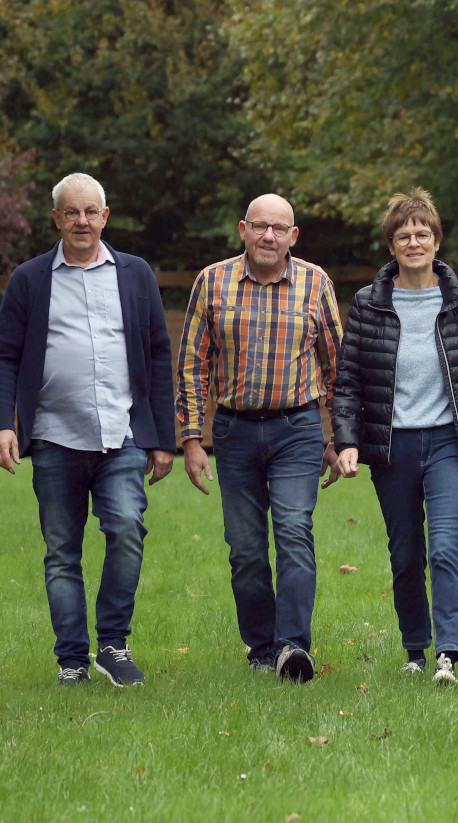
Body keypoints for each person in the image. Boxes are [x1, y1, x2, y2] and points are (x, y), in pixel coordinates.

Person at [0, 172, 175, 686]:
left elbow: (158, 353)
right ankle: (72, 659)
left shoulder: (135, 273)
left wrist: (162, 437)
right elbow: (6, 356)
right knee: (61, 550)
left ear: (105, 216)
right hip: (54, 435)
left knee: (126, 529)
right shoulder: (30, 279)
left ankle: (113, 645)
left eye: (90, 211)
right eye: (71, 212)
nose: (82, 221)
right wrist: (4, 425)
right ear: (55, 219)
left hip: (121, 432)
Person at [330, 189, 458, 686]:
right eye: (404, 235)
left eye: (423, 233)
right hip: (392, 446)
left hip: (449, 442)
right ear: (392, 245)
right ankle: (414, 650)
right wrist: (346, 439)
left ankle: (447, 652)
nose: (414, 241)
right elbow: (348, 380)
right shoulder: (368, 304)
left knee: (445, 547)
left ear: (437, 240)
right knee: (405, 554)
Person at [176, 193, 342, 682]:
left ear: (294, 236)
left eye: (279, 228)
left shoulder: (316, 283)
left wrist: (339, 437)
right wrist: (190, 439)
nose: (269, 236)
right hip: (233, 431)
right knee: (245, 549)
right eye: (260, 227)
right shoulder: (213, 281)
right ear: (243, 230)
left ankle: (293, 647)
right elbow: (191, 366)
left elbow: (337, 368)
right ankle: (261, 646)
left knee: (294, 532)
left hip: (299, 429)